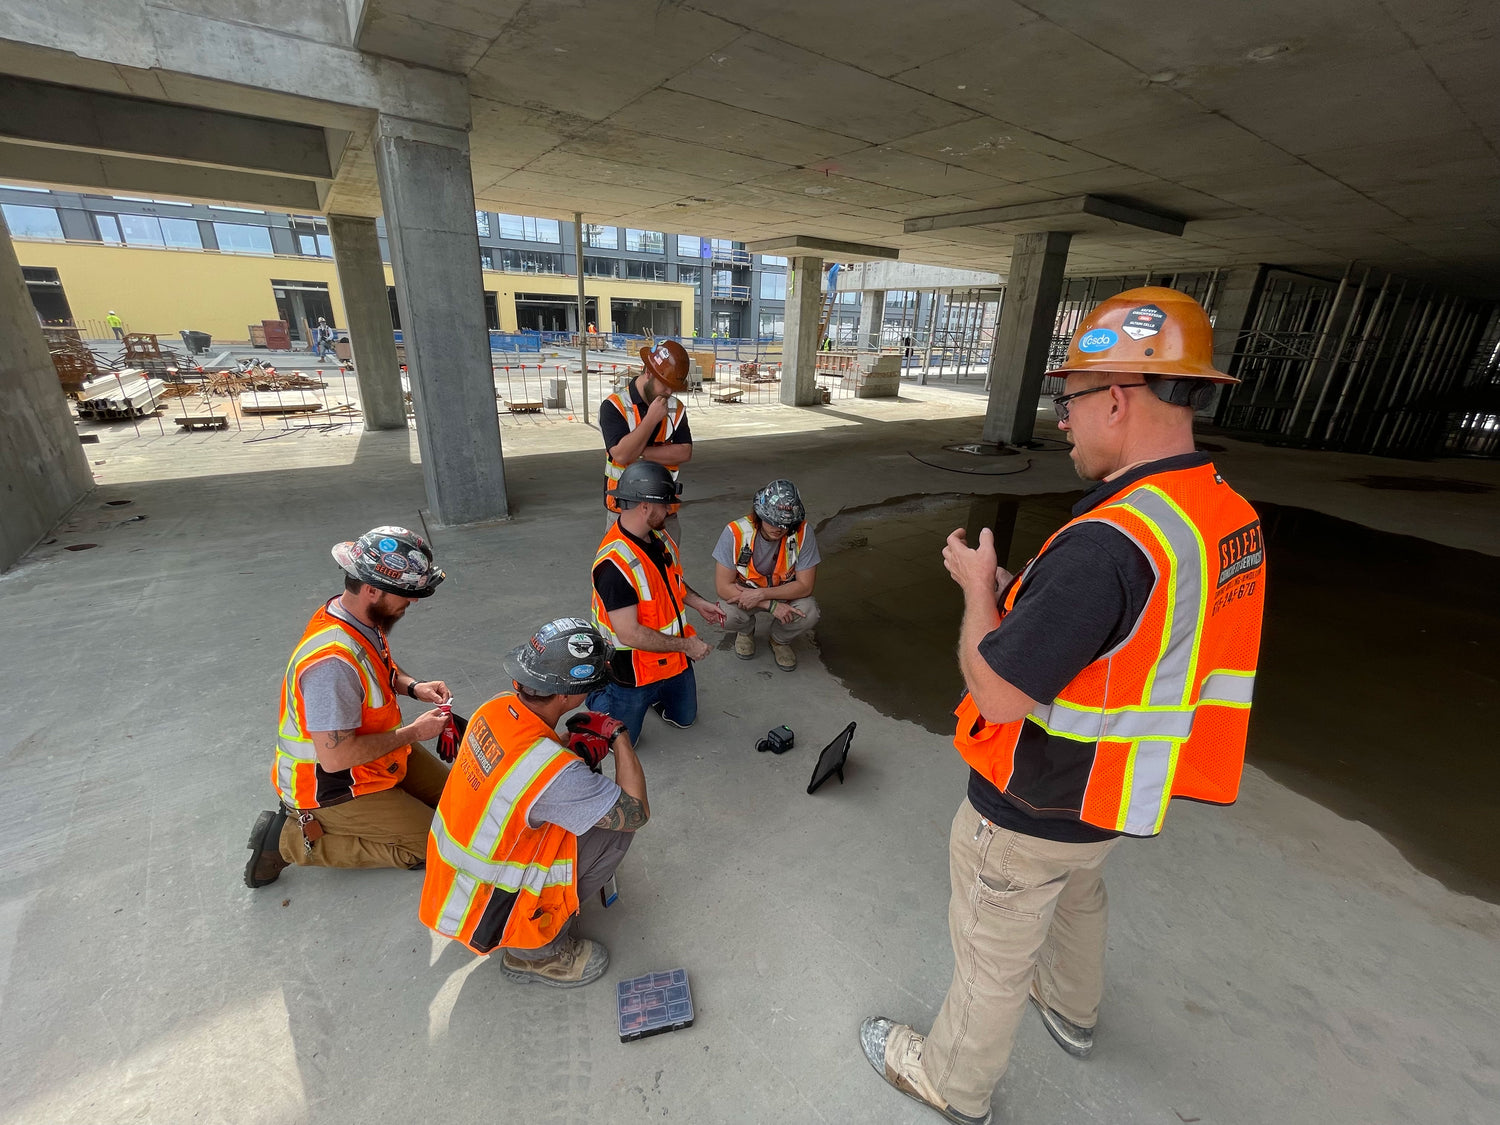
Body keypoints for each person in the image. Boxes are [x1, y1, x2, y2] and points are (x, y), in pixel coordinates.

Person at [859, 286, 1267, 1125]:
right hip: (1114, 795)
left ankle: (950, 1084)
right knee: (1080, 899)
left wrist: (980, 590)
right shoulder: (1224, 515)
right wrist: (1028, 602)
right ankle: (1073, 1015)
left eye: (1070, 400)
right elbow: (1144, 636)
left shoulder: (1109, 542)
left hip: (1034, 800)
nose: (1063, 421)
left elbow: (999, 693)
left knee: (991, 957)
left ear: (1117, 396)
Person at [419, 618, 648, 988]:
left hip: (456, 887)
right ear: (567, 697)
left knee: (581, 793)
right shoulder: (553, 773)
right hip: (491, 908)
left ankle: (528, 940)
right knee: (616, 831)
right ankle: (538, 954)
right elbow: (635, 811)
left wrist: (566, 744)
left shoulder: (496, 707)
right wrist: (618, 735)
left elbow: (524, 763)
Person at [243, 526, 454, 888]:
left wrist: (413, 687)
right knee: (439, 846)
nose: (413, 601)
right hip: (333, 785)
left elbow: (378, 665)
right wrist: (415, 733)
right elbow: (336, 758)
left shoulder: (355, 616)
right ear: (372, 589)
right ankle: (290, 841)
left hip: (375, 754)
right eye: (406, 593)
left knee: (458, 804)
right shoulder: (332, 666)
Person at [588, 461, 725, 744]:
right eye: (665, 505)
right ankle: (597, 690)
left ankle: (654, 695)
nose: (670, 510)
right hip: (633, 670)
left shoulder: (659, 537)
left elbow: (670, 582)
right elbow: (630, 634)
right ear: (645, 507)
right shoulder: (614, 566)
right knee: (624, 742)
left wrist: (698, 603)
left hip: (671, 657)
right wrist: (688, 645)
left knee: (685, 719)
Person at [712, 478, 821, 671]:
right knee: (725, 614)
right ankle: (746, 631)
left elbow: (805, 586)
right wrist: (769, 605)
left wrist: (764, 595)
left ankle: (779, 639)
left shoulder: (803, 533)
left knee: (809, 611)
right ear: (759, 513)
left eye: (784, 524)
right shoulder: (735, 532)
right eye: (772, 521)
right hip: (745, 594)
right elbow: (723, 587)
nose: (778, 528)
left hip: (782, 593)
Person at [601, 339, 693, 545]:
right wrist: (651, 419)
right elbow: (622, 455)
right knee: (623, 570)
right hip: (624, 513)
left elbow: (685, 452)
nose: (669, 393)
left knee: (667, 573)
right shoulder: (614, 407)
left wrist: (639, 453)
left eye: (673, 387)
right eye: (665, 385)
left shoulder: (676, 409)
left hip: (665, 514)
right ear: (649, 373)